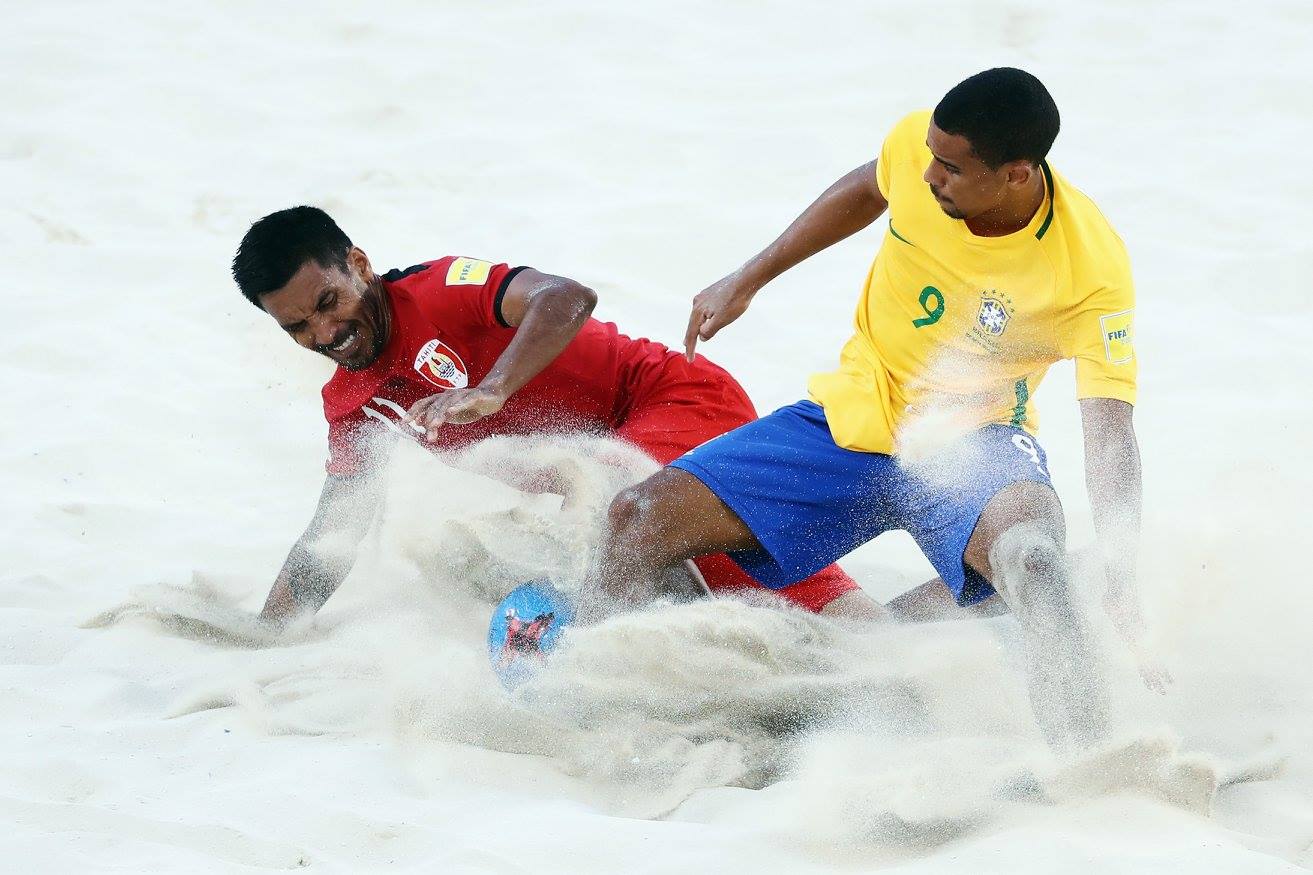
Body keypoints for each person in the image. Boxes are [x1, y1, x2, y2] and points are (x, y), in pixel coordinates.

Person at [583, 68, 1161, 749]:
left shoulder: (1089, 269)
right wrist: (749, 277)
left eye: (951, 168)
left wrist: (1123, 566)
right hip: (850, 415)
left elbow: (1109, 427)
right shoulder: (919, 151)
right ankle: (647, 705)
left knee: (1034, 559)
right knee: (635, 518)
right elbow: (868, 186)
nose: (928, 175)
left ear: (1016, 174)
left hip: (971, 442)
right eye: (930, 156)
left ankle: (1092, 761)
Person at [229, 207, 881, 625]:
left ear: (359, 266)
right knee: (711, 573)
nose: (326, 332)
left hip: (671, 398)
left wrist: (492, 388)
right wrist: (267, 637)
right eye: (298, 327)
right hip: (616, 474)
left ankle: (811, 646)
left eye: (328, 302)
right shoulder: (352, 405)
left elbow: (566, 297)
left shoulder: (438, 291)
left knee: (625, 521)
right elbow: (331, 536)